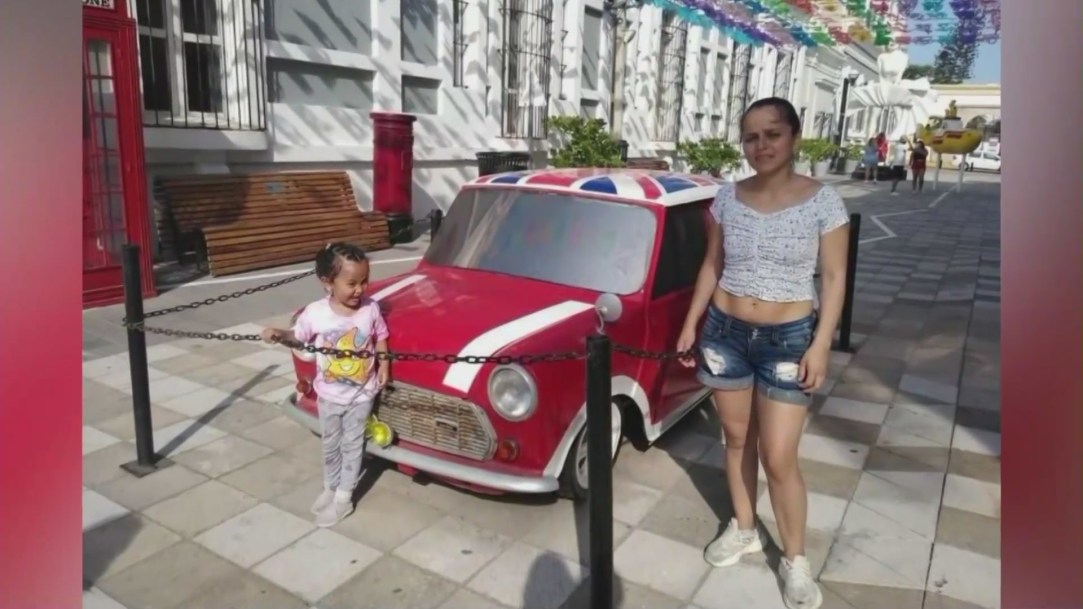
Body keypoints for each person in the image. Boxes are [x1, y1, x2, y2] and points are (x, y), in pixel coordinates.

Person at [676, 96, 850, 609]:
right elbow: (712, 265)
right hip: (724, 333)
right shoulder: (727, 198)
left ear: (794, 137)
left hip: (788, 339)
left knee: (778, 457)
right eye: (751, 137)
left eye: (772, 134)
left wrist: (821, 344)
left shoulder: (824, 202)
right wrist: (691, 324)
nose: (761, 145)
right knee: (735, 440)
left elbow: (835, 277)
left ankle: (795, 559)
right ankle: (745, 527)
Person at [261, 242, 390, 527]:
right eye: (352, 283)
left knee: (353, 445)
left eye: (364, 281)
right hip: (329, 394)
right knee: (330, 444)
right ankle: (330, 487)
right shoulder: (316, 313)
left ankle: (344, 499)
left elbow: (380, 336)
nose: (360, 289)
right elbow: (299, 336)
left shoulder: (370, 309)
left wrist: (384, 364)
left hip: (361, 394)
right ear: (327, 282)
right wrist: (279, 334)